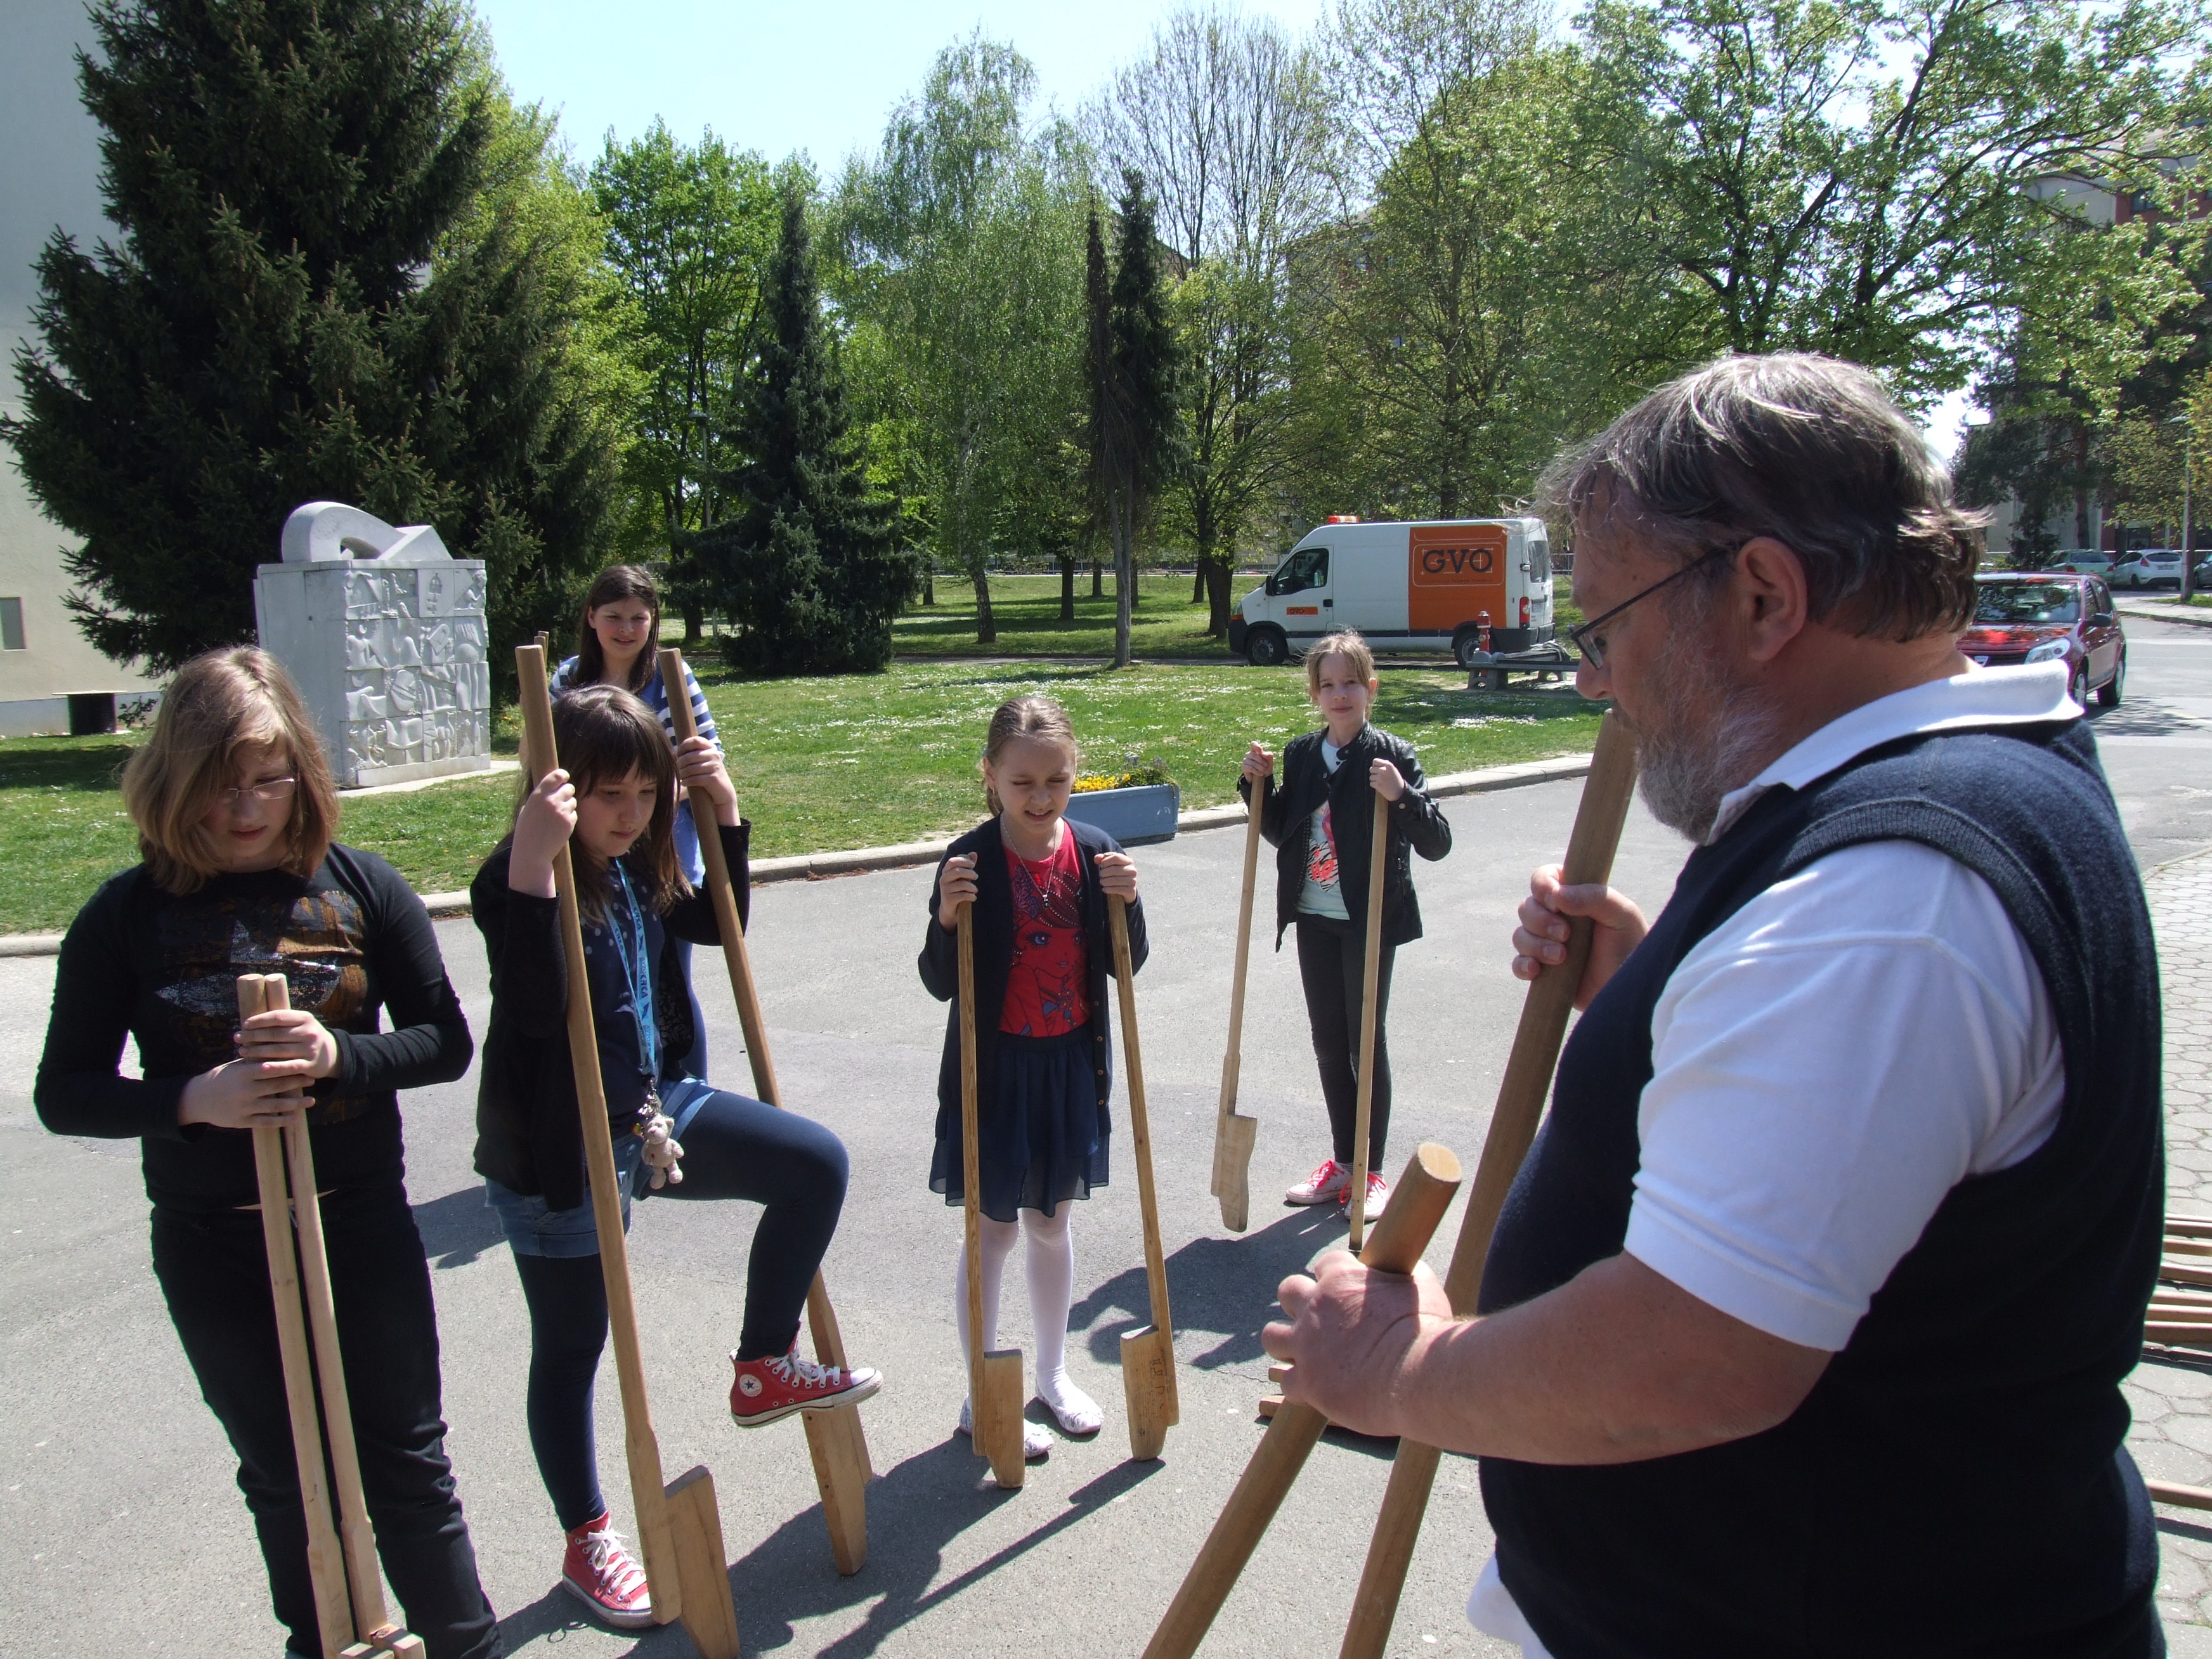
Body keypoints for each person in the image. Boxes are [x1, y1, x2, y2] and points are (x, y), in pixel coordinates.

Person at [1262, 354, 2163, 1656]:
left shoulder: (1886, 904)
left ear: (1760, 596)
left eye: (1606, 627)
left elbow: (1691, 1356)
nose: (1595, 680)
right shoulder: (1949, 795)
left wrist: (1394, 1372)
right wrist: (1660, 1001)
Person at [34, 648, 500, 1659]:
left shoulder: (361, 887)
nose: (245, 809)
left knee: (407, 1461)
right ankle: (322, 1643)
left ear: (302, 772)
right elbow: (64, 1094)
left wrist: (339, 1055)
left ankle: (465, 1645)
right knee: (286, 1478)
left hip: (358, 1221)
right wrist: (194, 1099)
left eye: (268, 779)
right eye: (219, 784)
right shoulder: (125, 917)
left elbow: (444, 1042)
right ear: (174, 780)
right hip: (216, 1241)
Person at [471, 684, 878, 1630]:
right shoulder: (518, 875)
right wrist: (532, 863)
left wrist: (721, 811)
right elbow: (532, 1010)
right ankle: (587, 1538)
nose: (631, 814)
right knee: (574, 1345)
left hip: (655, 1109)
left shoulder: (631, 863)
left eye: (647, 794)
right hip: (560, 1147)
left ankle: (762, 1363)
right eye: (610, 795)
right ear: (560, 790)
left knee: (813, 1166)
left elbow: (716, 923)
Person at [920, 695, 1147, 1459]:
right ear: (990, 775)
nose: (1041, 797)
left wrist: (1128, 904)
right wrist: (946, 918)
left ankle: (1051, 1374)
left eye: (1056, 780)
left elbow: (1125, 964)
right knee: (992, 1229)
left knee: (1050, 1222)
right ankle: (981, 1390)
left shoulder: (1095, 851)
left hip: (1068, 1065)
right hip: (993, 1070)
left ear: (1075, 772)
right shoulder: (969, 861)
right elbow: (938, 981)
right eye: (1022, 782)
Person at [1237, 630, 1452, 1220]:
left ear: (1370, 688)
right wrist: (1257, 785)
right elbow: (1281, 830)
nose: (1340, 694)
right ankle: (1343, 1162)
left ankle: (1371, 1170)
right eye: (1328, 685)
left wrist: (1401, 795)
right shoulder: (1305, 754)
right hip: (1314, 916)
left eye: (1351, 683)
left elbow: (1437, 843)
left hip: (1369, 920)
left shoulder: (1392, 755)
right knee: (1330, 1045)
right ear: (1314, 694)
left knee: (1365, 1043)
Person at [550, 563, 719, 1076]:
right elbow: (552, 763)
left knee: (670, 977)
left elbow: (706, 760)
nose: (626, 629)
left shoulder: (670, 677)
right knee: (606, 977)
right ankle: (621, 1082)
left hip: (665, 850)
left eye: (638, 618)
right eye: (614, 616)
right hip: (589, 851)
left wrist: (651, 801)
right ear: (591, 617)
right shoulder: (568, 680)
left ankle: (688, 1083)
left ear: (654, 622)